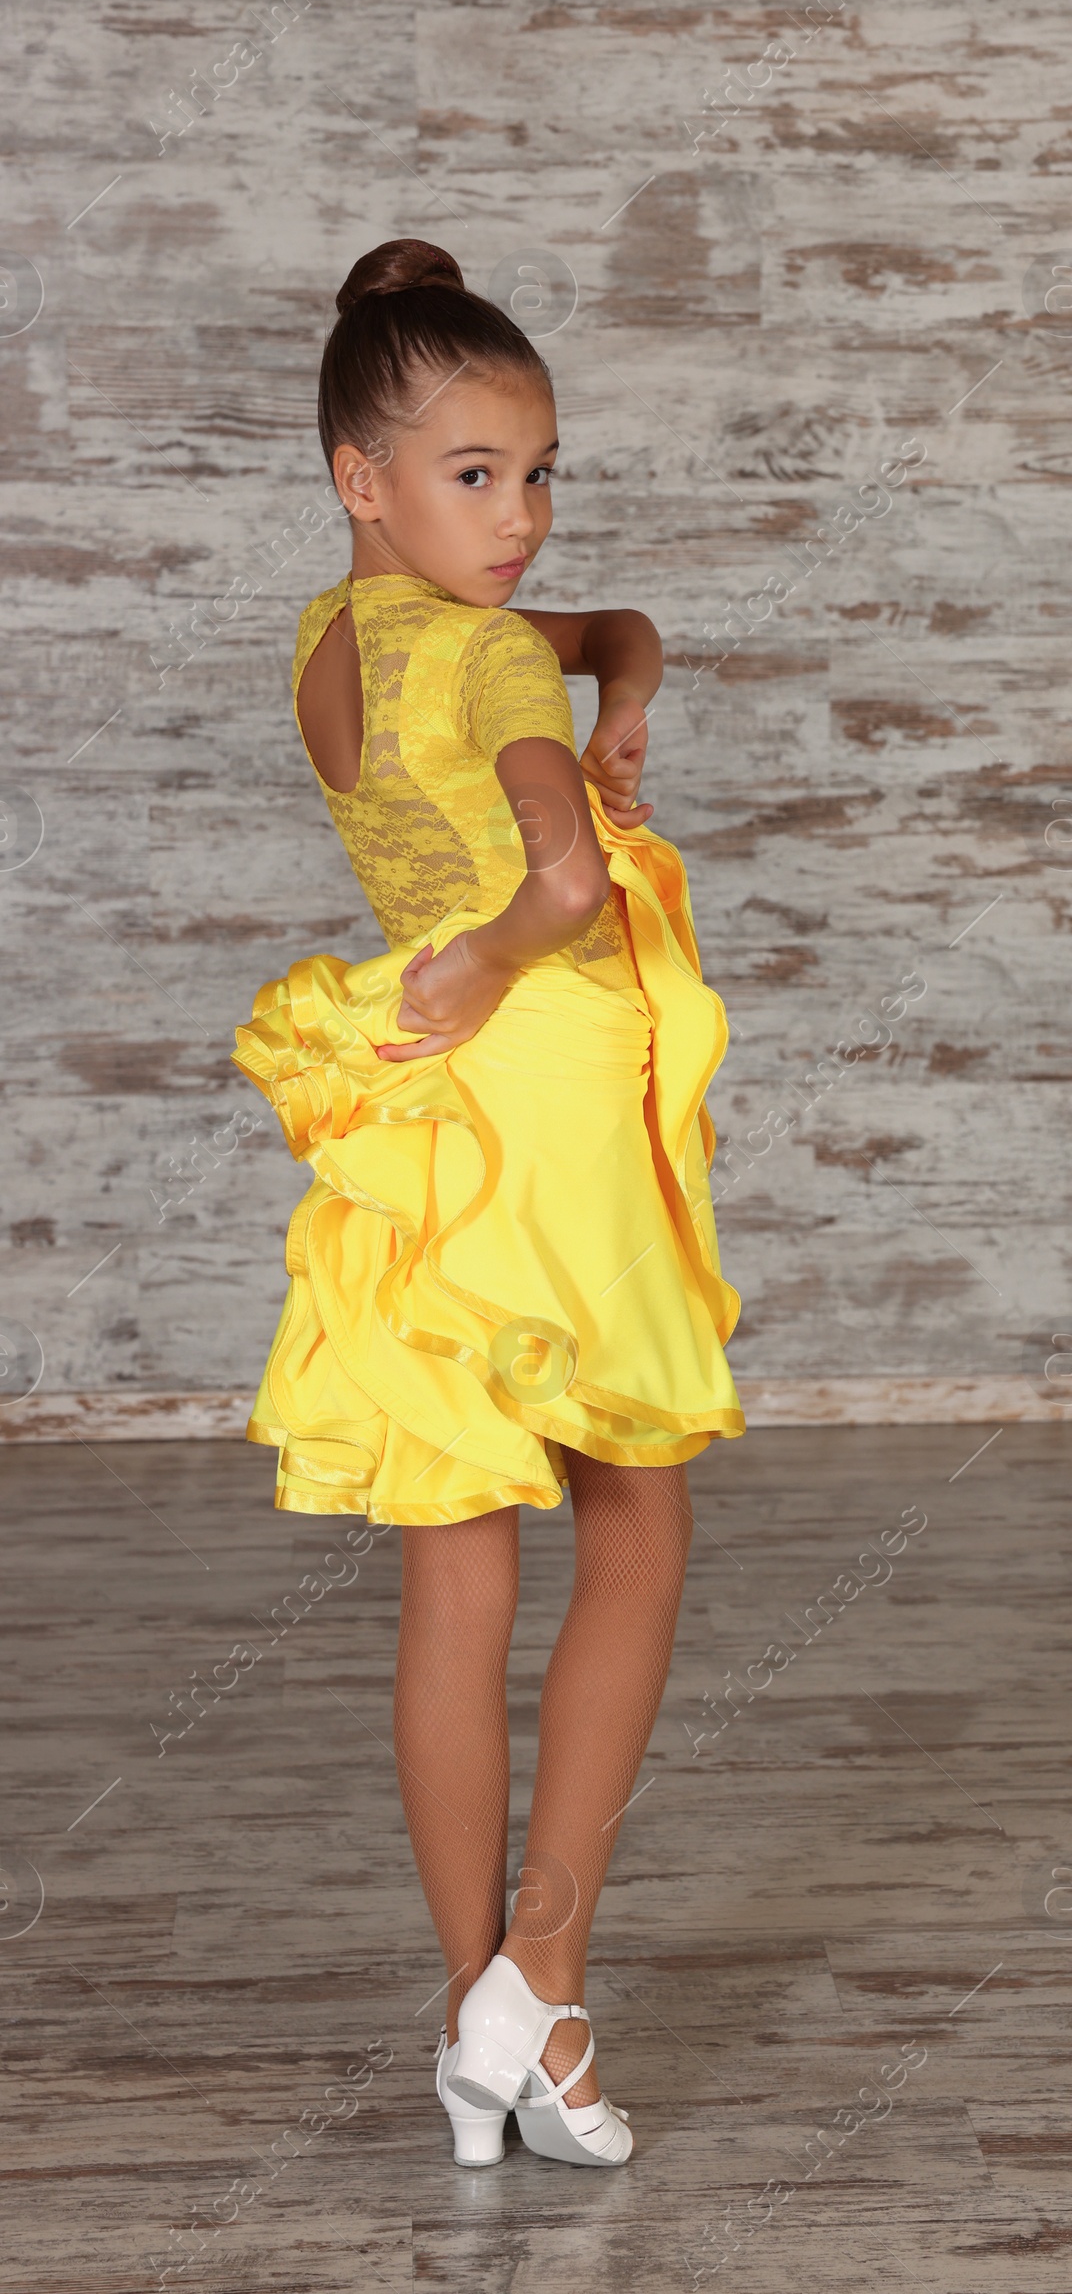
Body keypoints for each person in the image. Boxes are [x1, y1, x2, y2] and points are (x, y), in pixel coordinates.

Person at [232, 238, 744, 2169]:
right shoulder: (489, 651)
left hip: (430, 1121)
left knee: (457, 1567)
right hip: (548, 1099)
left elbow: (606, 629)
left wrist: (625, 688)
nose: (519, 519)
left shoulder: (333, 643)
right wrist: (518, 926)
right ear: (365, 478)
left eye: (539, 475)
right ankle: (553, 1970)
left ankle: (478, 2029)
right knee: (639, 1530)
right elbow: (559, 882)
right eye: (473, 477)